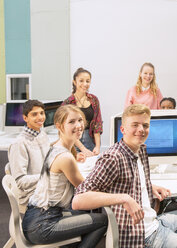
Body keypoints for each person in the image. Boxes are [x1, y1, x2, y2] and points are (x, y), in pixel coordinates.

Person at [72, 104, 177, 248]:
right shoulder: (112, 158)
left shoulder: (140, 150)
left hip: (154, 221)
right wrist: (124, 198)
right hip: (144, 236)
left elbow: (128, 178)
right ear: (122, 129)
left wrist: (149, 186)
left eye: (145, 125)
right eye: (135, 125)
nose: (141, 129)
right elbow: (78, 200)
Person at [22, 105, 108, 247]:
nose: (79, 125)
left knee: (83, 212)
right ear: (59, 126)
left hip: (35, 217)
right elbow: (86, 189)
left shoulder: (56, 147)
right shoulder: (65, 157)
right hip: (42, 224)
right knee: (102, 220)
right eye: (71, 122)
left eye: (80, 120)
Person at [8, 99, 50, 206]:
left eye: (42, 113)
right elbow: (20, 181)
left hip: (45, 186)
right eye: (34, 114)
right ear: (25, 118)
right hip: (30, 194)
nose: (40, 117)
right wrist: (47, 176)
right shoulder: (19, 144)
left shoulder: (42, 134)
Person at [62, 67, 103, 157]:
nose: (85, 84)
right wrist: (83, 149)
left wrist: (97, 146)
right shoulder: (68, 103)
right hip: (73, 142)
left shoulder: (94, 100)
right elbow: (66, 129)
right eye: (81, 81)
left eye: (87, 81)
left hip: (90, 140)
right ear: (74, 82)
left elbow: (97, 123)